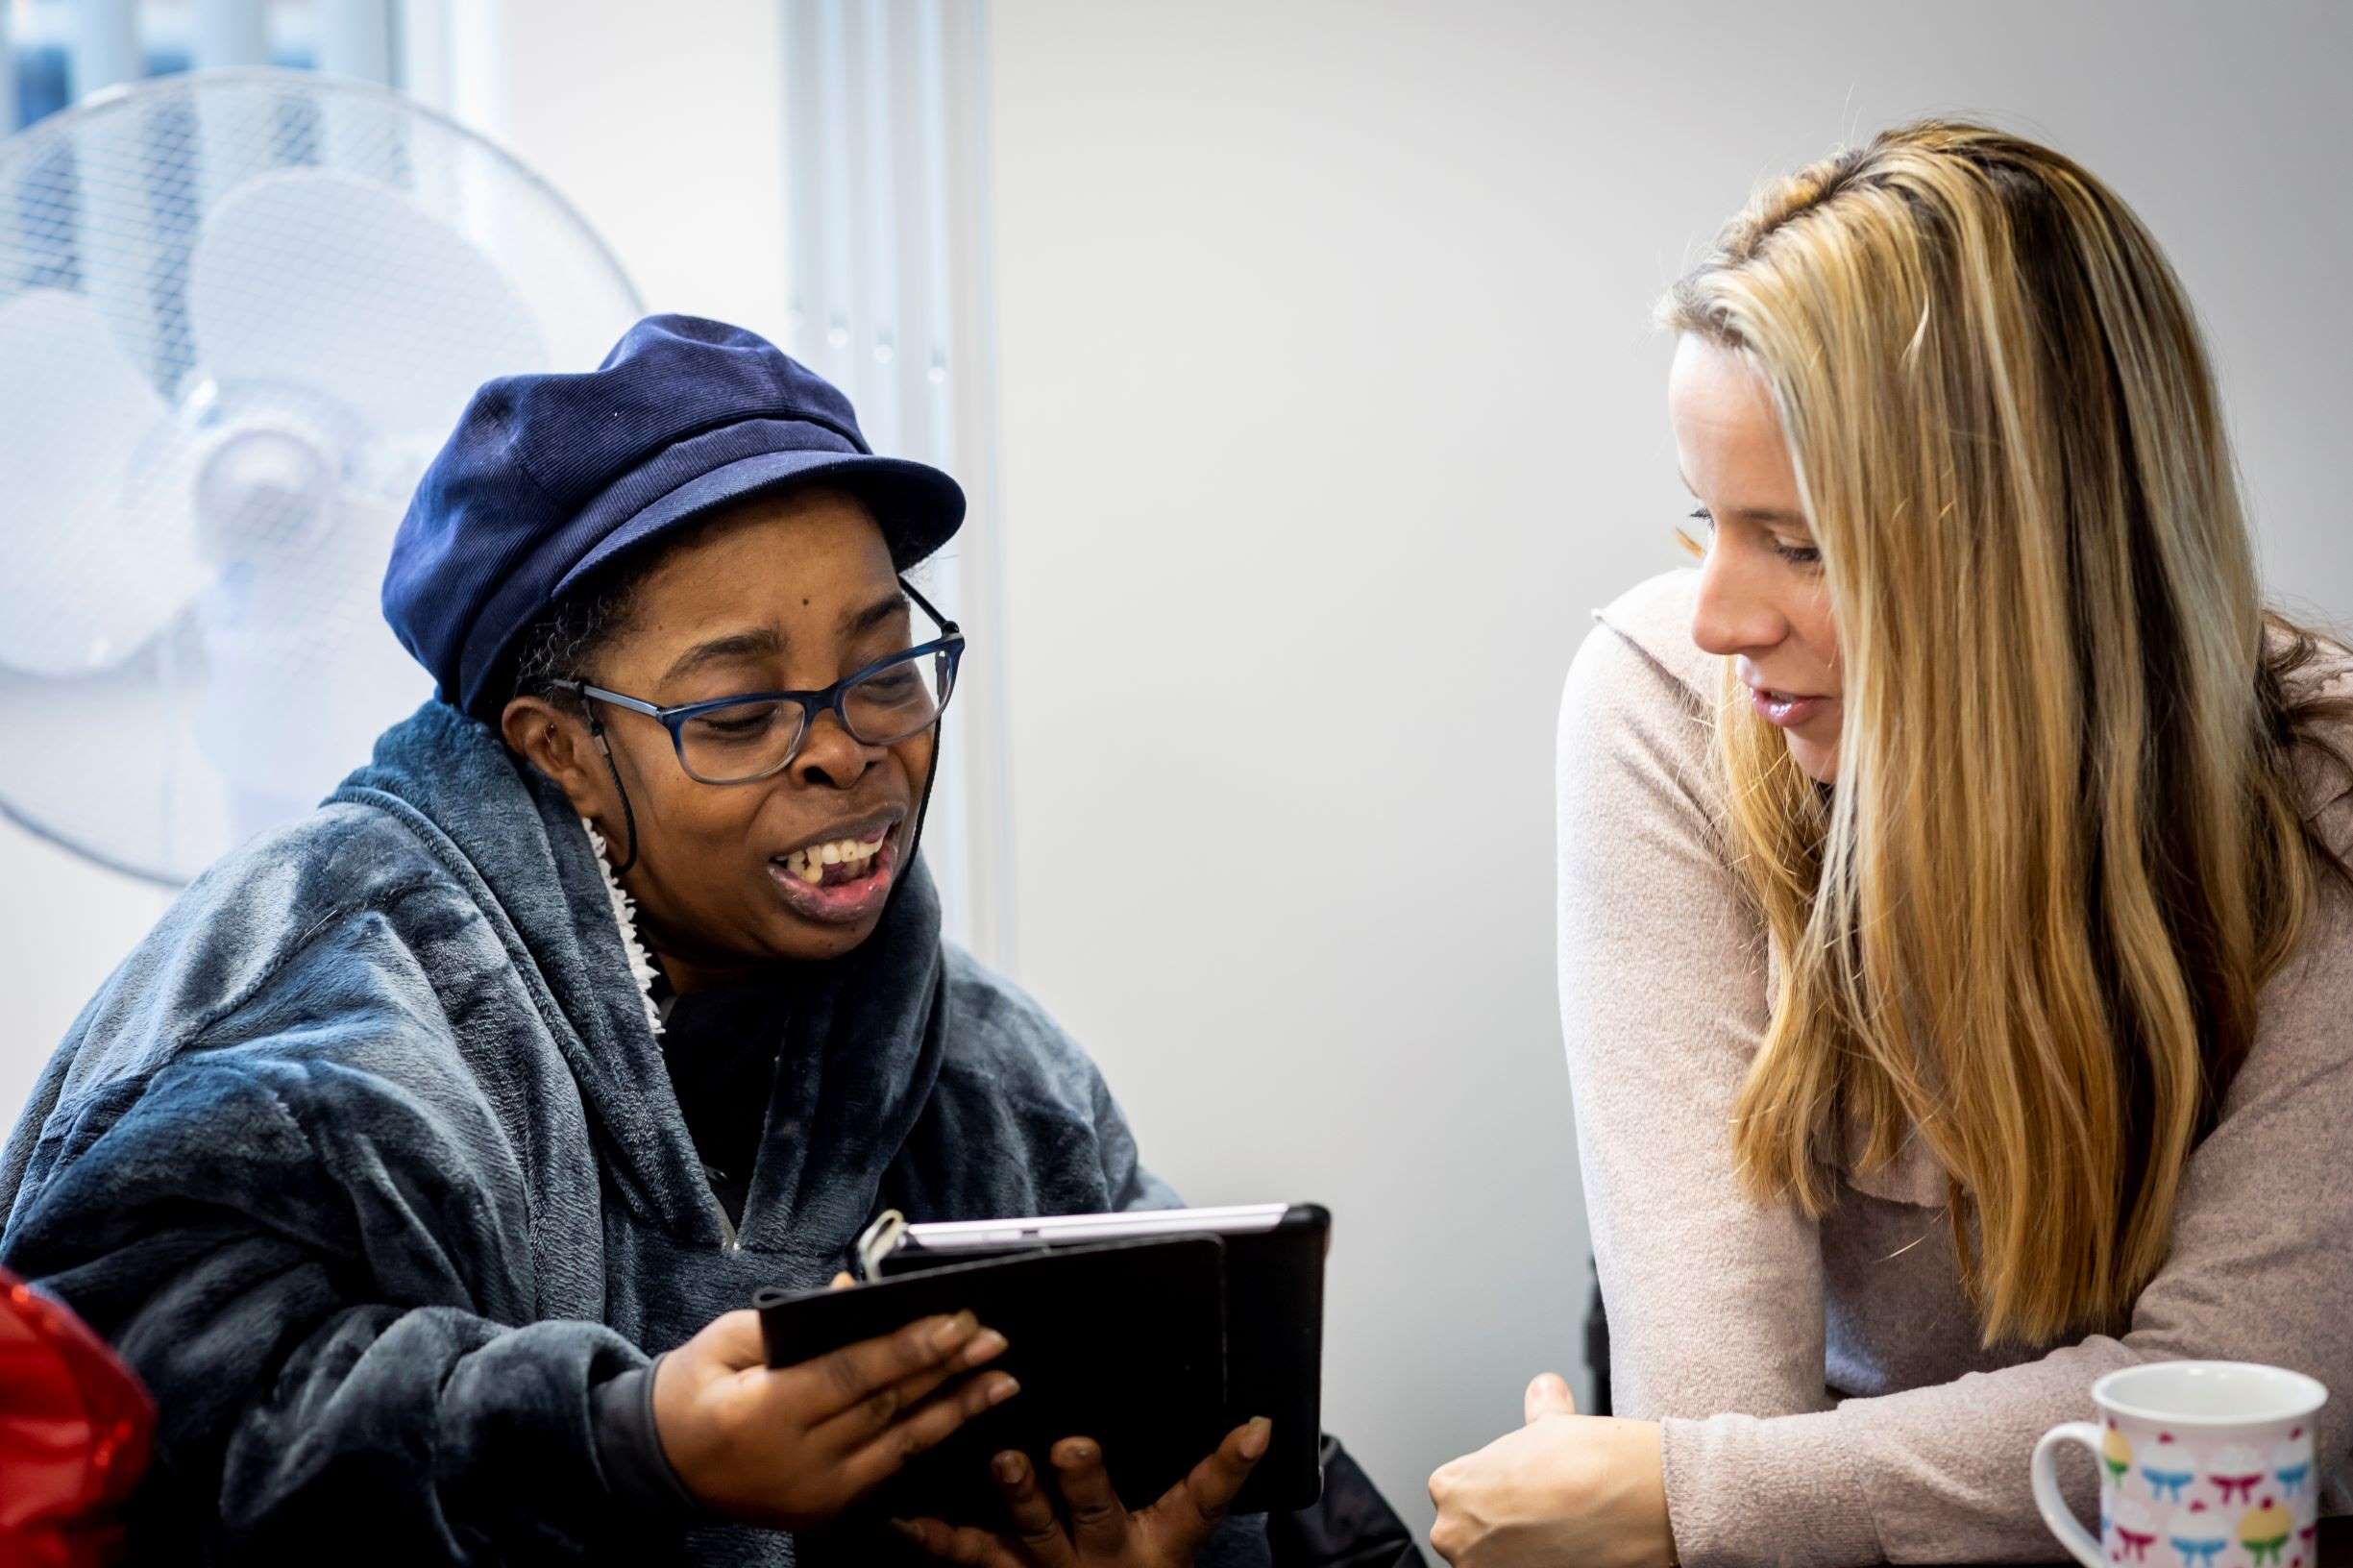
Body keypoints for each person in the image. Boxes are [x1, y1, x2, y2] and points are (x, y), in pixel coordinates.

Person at [0, 317, 1412, 1566]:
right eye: (739, 715)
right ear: (554, 751)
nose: (848, 754)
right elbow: (130, 1416)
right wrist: (623, 1442)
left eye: (882, 670)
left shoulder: (992, 1074)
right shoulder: (332, 998)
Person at [1428, 121, 2353, 1567]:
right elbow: (1717, 1399)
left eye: (1802, 546)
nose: (1724, 618)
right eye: (1705, 525)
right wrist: (1709, 1492)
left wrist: (1690, 1498)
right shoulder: (1666, 701)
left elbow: (2229, 1422)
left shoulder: (2321, 795)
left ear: (2038, 555)